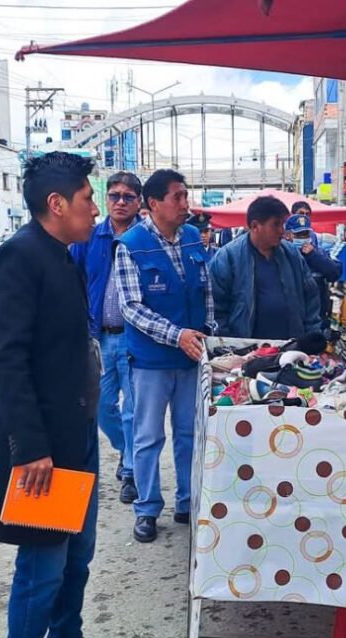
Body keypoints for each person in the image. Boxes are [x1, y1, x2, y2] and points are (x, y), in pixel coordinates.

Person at [0, 152, 101, 638]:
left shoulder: (61, 255)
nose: (95, 209)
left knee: (78, 556)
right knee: (43, 568)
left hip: (76, 434)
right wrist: (31, 447)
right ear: (56, 204)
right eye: (87, 198)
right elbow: (6, 361)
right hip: (44, 447)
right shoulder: (20, 257)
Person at [113, 169, 216, 543]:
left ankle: (187, 501)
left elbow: (204, 290)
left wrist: (209, 329)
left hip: (192, 359)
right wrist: (178, 335)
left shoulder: (191, 238)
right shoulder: (131, 245)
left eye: (186, 195)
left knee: (190, 433)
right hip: (152, 362)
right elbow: (132, 308)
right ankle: (147, 508)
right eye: (178, 197)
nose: (185, 204)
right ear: (153, 203)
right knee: (147, 437)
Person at [69, 172, 141, 506]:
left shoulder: (145, 238)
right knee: (102, 407)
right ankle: (128, 449)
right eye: (115, 196)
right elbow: (68, 275)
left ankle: (130, 471)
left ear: (139, 201)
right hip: (100, 338)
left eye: (128, 196)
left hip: (136, 338)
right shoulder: (90, 237)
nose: (120, 202)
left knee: (134, 410)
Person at [210, 195, 321, 340]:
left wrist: (311, 339)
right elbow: (215, 309)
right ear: (255, 226)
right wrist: (230, 345)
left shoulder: (292, 255)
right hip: (245, 353)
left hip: (291, 349)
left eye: (282, 224)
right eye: (276, 224)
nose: (282, 231)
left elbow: (311, 298)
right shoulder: (228, 258)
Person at [285, 212, 341, 330]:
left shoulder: (318, 253)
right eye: (299, 235)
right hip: (289, 315)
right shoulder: (282, 254)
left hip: (317, 315)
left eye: (306, 234)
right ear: (288, 235)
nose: (303, 238)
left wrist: (313, 256)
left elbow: (334, 273)